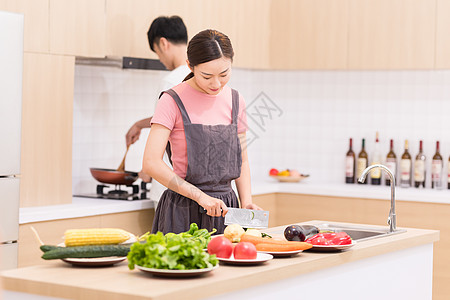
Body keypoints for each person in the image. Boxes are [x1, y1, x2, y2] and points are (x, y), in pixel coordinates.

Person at [142, 29, 263, 234]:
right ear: (190, 66)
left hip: (227, 211)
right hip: (183, 210)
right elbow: (151, 162)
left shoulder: (236, 100)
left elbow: (241, 159)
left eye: (224, 74)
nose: (216, 84)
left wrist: (247, 202)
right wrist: (200, 196)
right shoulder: (171, 100)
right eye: (206, 76)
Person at [125, 16, 190, 202]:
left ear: (163, 43)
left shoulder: (170, 81)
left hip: (169, 186)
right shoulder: (201, 77)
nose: (160, 60)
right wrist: (139, 124)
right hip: (194, 186)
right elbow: (176, 120)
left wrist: (148, 170)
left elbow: (163, 131)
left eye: (157, 53)